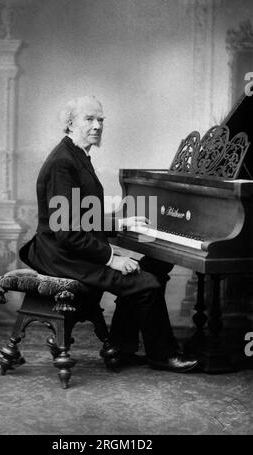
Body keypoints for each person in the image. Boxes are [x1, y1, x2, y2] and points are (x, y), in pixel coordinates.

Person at [19, 95, 198, 373]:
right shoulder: (62, 163)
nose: (97, 125)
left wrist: (120, 223)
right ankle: (163, 355)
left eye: (100, 119)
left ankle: (122, 349)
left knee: (147, 269)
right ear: (70, 123)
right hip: (61, 255)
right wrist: (111, 258)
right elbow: (67, 232)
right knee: (146, 283)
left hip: (70, 249)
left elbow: (80, 216)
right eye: (89, 119)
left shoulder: (77, 155)